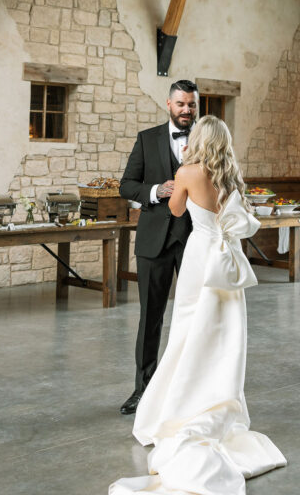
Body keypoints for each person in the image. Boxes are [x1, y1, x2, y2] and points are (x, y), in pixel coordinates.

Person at [110, 116, 286, 495]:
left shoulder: (187, 171)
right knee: (224, 332)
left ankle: (180, 400)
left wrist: (180, 177)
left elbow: (175, 211)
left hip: (200, 258)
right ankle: (218, 394)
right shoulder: (231, 176)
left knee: (189, 330)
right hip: (228, 263)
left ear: (199, 140)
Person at [118, 80, 199, 415]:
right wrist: (156, 191)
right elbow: (127, 185)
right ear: (168, 104)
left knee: (197, 318)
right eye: (180, 104)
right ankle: (143, 390)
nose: (186, 111)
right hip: (154, 240)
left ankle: (192, 392)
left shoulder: (206, 139)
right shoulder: (146, 139)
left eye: (191, 105)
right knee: (150, 317)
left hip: (195, 240)